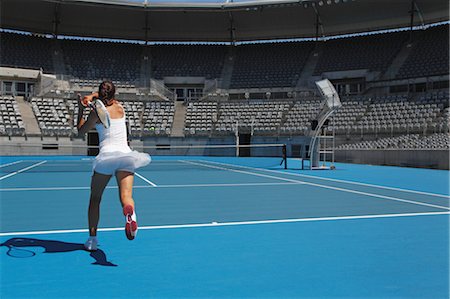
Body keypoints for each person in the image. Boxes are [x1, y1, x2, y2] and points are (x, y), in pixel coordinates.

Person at [77, 80, 151, 251]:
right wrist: (93, 97)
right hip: (126, 156)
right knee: (126, 197)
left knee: (95, 199)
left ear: (99, 93)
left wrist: (81, 109)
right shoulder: (120, 107)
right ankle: (130, 213)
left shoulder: (95, 113)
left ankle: (92, 240)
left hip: (107, 158)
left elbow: (80, 132)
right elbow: (104, 96)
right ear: (114, 94)